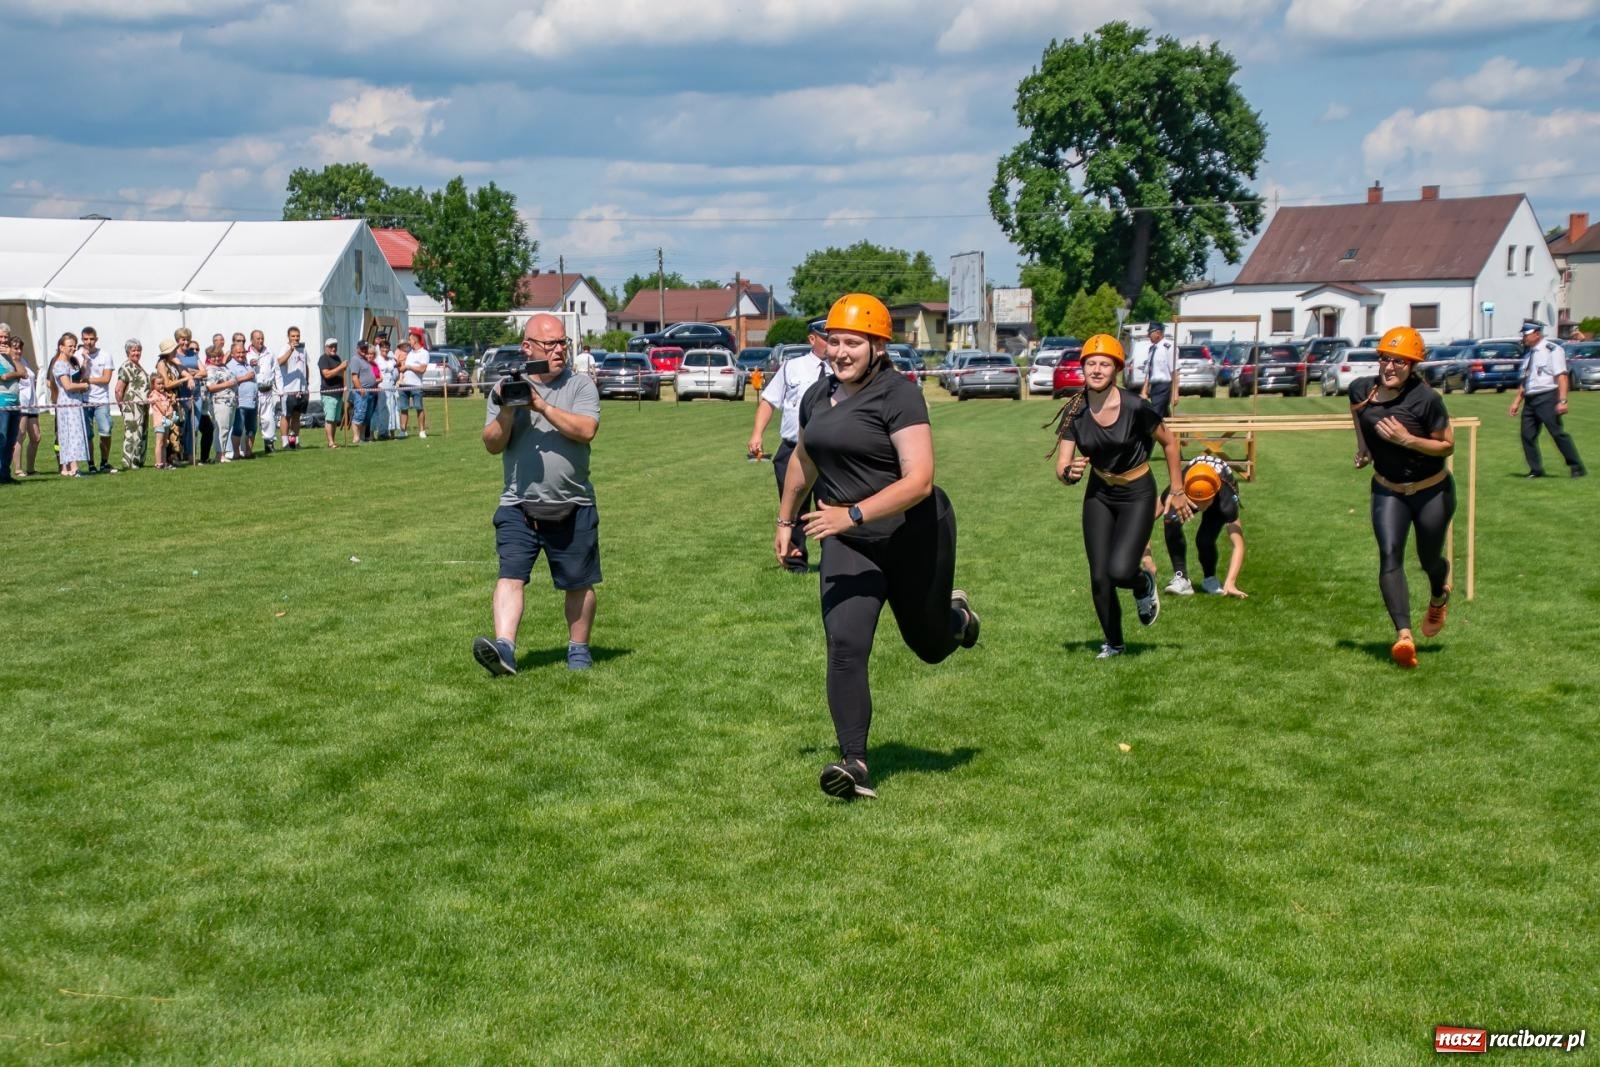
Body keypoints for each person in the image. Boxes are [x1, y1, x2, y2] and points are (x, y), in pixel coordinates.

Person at [776, 294, 980, 801]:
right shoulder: (817, 397)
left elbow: (921, 480)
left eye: (853, 343)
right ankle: (854, 763)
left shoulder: (900, 396)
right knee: (845, 644)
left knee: (929, 648)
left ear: (878, 346)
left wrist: (853, 512)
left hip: (915, 534)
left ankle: (955, 619)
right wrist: (786, 521)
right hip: (848, 542)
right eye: (835, 342)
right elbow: (804, 458)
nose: (841, 352)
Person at [473, 313, 602, 676]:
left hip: (573, 503)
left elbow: (586, 429)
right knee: (510, 575)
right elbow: (492, 445)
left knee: (578, 582)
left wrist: (541, 405)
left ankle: (578, 649)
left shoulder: (580, 386)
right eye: (551, 344)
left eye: (563, 342)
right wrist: (507, 412)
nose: (560, 349)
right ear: (527, 347)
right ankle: (505, 650)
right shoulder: (506, 388)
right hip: (517, 503)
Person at [1053, 333, 1186, 659]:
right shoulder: (1074, 409)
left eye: (1104, 364)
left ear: (1116, 369)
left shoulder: (1135, 407)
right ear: (1083, 368)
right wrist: (1068, 473)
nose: (1096, 369)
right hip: (1099, 492)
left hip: (1137, 492)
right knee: (1099, 576)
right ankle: (1113, 643)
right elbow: (1061, 465)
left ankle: (1143, 585)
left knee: (1121, 571)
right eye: (1091, 363)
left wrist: (1178, 489)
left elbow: (1171, 443)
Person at [1349, 325, 1456, 669]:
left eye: (1400, 361)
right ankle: (1404, 637)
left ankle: (1439, 594)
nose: (1390, 366)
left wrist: (1406, 439)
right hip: (1387, 489)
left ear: (1413, 366)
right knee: (1389, 555)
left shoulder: (1426, 400)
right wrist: (1364, 447)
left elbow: (1447, 445)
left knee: (1429, 560)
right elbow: (1357, 411)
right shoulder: (1360, 389)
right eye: (1385, 359)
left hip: (1431, 491)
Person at [747, 318, 831, 572]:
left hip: (829, 451)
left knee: (830, 505)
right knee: (793, 505)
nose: (832, 343)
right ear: (812, 339)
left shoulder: (842, 369)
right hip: (793, 447)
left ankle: (834, 561)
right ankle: (794, 559)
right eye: (827, 337)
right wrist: (757, 434)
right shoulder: (792, 367)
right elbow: (769, 401)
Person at [1141, 455, 1248, 599]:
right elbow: (1143, 521)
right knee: (1170, 519)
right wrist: (1146, 558)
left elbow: (1238, 545)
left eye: (1205, 501)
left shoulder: (1226, 501)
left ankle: (1210, 579)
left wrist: (1230, 582)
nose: (1200, 506)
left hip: (1217, 495)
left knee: (1204, 540)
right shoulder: (1177, 488)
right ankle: (1181, 578)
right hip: (1190, 492)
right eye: (1196, 501)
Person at [1509, 319, 1586, 478]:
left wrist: (1562, 400)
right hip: (1530, 399)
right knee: (1527, 435)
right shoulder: (1529, 354)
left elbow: (1562, 377)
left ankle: (1576, 467)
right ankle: (1535, 470)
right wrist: (1517, 401)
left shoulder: (1553, 350)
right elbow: (1526, 380)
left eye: (1526, 334)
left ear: (1537, 334)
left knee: (1557, 433)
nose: (1524, 337)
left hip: (1547, 396)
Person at [50, 332, 89, 477]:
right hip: (68, 403)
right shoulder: (60, 364)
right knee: (71, 434)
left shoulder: (69, 362)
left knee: (69, 434)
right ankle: (73, 467)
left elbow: (78, 376)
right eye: (69, 346)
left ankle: (66, 468)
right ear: (61, 347)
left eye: (74, 345)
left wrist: (84, 361)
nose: (72, 348)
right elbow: (67, 386)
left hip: (73, 402)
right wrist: (83, 386)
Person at [114, 338, 151, 470]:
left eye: (138, 350)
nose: (136, 353)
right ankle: (129, 463)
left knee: (141, 434)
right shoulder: (126, 367)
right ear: (127, 352)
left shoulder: (139, 366)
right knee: (132, 435)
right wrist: (122, 406)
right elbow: (118, 389)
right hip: (132, 406)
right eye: (133, 350)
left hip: (143, 407)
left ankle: (138, 461)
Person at [11, 333, 42, 478]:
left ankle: (30, 468)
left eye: (20, 348)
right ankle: (18, 468)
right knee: (20, 435)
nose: (18, 351)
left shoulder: (23, 361)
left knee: (36, 437)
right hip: (21, 403)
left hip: (32, 404)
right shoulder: (9, 362)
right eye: (15, 348)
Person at [150, 339, 184, 469]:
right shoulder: (162, 364)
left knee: (168, 438)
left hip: (169, 408)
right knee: (161, 440)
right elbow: (167, 384)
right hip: (162, 418)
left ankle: (166, 461)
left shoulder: (173, 363)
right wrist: (184, 379)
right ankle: (161, 462)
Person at [203, 342, 238, 463]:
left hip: (230, 401)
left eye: (218, 356)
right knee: (221, 428)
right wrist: (227, 384)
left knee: (226, 428)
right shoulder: (210, 370)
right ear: (209, 357)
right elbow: (210, 387)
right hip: (220, 402)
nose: (217, 358)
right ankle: (219, 454)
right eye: (214, 357)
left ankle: (222, 452)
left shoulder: (223, 367)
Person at [226, 334, 258, 459]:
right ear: (232, 354)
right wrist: (246, 377)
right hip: (240, 402)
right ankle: (236, 453)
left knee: (252, 428)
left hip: (253, 401)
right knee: (238, 428)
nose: (241, 355)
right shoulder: (230, 366)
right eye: (238, 353)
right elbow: (231, 381)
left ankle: (249, 452)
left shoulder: (247, 364)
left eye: (242, 352)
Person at [1137, 322, 1178, 418]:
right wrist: (1144, 390)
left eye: (1150, 332)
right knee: (1163, 415)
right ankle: (1169, 431)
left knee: (1155, 414)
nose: (1148, 335)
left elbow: (1175, 372)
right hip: (1154, 387)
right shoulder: (1152, 349)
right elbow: (1149, 372)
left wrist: (1175, 392)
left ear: (1158, 333)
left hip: (1164, 386)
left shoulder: (1169, 347)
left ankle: (1151, 432)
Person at [277, 326, 309, 450]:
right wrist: (290, 350)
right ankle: (285, 443)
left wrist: (307, 384)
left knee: (297, 416)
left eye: (297, 336)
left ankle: (295, 441)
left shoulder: (303, 349)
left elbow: (305, 366)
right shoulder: (285, 348)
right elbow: (279, 362)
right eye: (293, 336)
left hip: (301, 389)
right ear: (288, 337)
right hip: (288, 389)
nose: (296, 338)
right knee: (286, 416)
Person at [0, 328, 25, 484]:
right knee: (1, 440)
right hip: (1, 404)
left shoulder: (11, 356)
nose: (3, 340)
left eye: (6, 337)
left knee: (10, 441)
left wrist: (13, 357)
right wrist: (11, 375)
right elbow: (2, 376)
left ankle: (5, 474)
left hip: (15, 403)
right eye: (1, 337)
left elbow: (24, 374)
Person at [249, 329, 277, 454]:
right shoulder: (246, 354)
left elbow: (276, 371)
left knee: (268, 418)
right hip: (254, 392)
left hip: (267, 391)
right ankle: (247, 448)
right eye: (257, 339)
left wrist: (279, 389)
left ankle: (269, 444)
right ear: (252, 340)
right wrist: (250, 364)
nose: (260, 341)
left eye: (262, 338)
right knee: (252, 420)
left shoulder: (270, 353)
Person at [348, 340, 379, 445]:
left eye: (365, 348)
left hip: (370, 391)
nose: (364, 350)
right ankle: (356, 437)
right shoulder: (355, 359)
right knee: (359, 414)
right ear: (357, 348)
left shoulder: (365, 359)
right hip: (361, 392)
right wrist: (361, 390)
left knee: (367, 415)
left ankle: (362, 437)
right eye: (362, 348)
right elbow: (354, 377)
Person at [318, 338, 346, 449]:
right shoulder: (323, 359)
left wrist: (344, 385)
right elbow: (327, 374)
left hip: (338, 393)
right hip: (329, 393)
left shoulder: (337, 358)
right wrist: (340, 367)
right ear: (326, 347)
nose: (333, 348)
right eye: (331, 346)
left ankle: (333, 441)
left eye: (335, 346)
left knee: (335, 419)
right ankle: (330, 442)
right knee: (330, 418)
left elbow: (341, 373)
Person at [400, 328, 428, 438]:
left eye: (410, 339)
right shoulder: (409, 353)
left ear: (415, 340)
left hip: (416, 385)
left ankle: (422, 431)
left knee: (418, 407)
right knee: (403, 408)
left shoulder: (424, 353)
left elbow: (422, 369)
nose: (409, 341)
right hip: (404, 384)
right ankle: (403, 430)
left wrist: (408, 367)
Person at [375, 334, 399, 439]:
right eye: (383, 347)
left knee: (392, 408)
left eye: (387, 347)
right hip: (381, 387)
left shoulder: (391, 360)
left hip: (391, 386)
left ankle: (392, 432)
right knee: (382, 409)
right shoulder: (377, 360)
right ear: (379, 349)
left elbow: (396, 373)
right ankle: (381, 432)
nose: (385, 349)